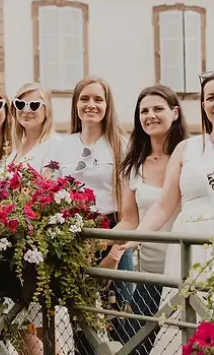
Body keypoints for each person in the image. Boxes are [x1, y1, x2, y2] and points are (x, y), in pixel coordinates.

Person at [117, 67, 214, 355]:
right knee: (184, 331)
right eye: (210, 97)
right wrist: (136, 235)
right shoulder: (188, 150)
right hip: (188, 251)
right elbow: (164, 205)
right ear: (203, 106)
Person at [43, 77, 133, 354]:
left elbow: (131, 209)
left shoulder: (121, 144)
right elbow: (48, 191)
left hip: (113, 233)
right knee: (81, 322)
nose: (91, 105)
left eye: (98, 99)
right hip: (73, 237)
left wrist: (114, 254)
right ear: (76, 104)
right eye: (84, 99)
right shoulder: (61, 145)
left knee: (119, 319)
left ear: (108, 105)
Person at [107, 85, 189, 354]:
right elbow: (129, 219)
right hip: (148, 271)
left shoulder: (192, 157)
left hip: (185, 268)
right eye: (144, 111)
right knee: (136, 343)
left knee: (183, 341)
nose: (150, 115)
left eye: (157, 109)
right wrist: (107, 243)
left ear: (175, 113)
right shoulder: (133, 165)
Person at [8, 83, 65, 354]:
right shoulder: (15, 148)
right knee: (18, 325)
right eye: (20, 104)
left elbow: (49, 191)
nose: (26, 110)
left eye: (34, 105)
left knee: (40, 327)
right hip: (13, 244)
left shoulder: (54, 144)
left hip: (35, 248)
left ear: (47, 110)